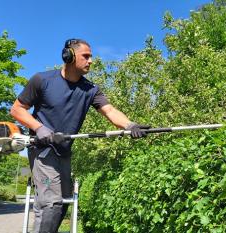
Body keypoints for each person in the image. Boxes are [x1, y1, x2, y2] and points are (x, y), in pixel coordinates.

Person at [10, 38, 149, 233]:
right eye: (86, 56)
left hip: (64, 153)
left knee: (63, 203)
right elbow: (17, 110)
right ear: (69, 56)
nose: (91, 61)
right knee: (51, 204)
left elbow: (110, 111)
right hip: (42, 150)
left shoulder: (90, 90)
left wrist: (129, 124)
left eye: (91, 56)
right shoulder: (42, 80)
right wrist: (42, 130)